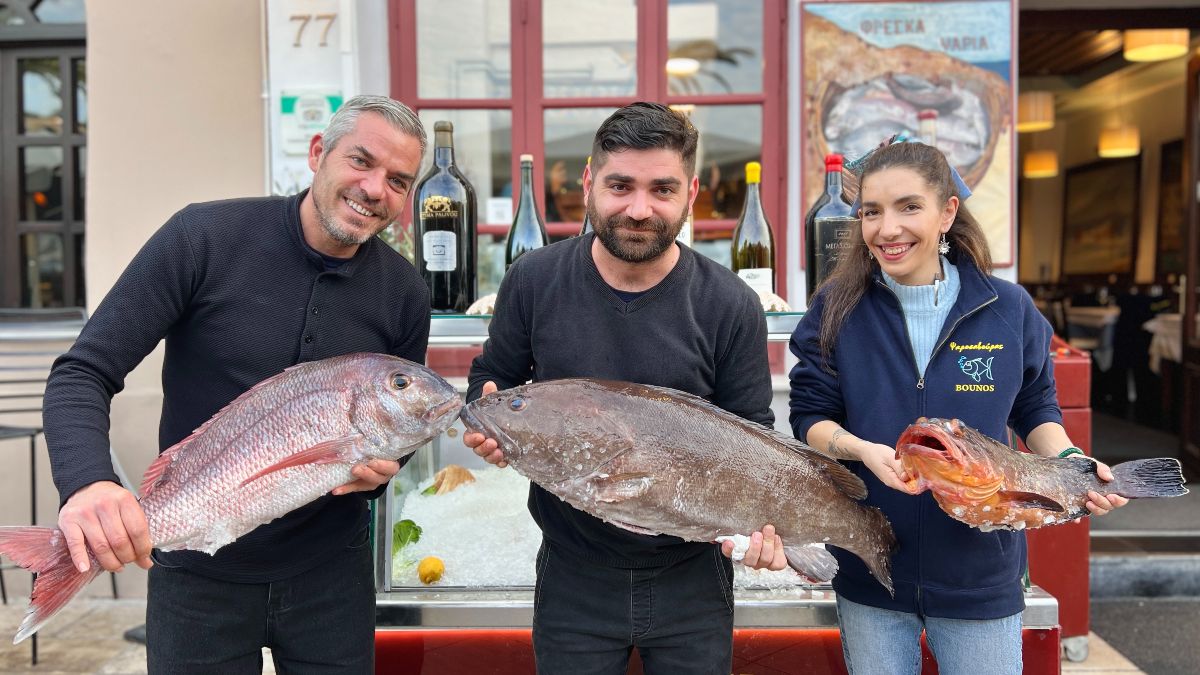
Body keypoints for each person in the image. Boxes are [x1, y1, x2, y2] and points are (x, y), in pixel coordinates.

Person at [42, 95, 431, 673]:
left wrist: (376, 477)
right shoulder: (203, 237)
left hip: (331, 580)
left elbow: (390, 441)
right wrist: (89, 483)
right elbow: (83, 371)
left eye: (398, 181)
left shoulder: (404, 292)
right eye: (361, 162)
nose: (375, 190)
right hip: (195, 577)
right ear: (318, 152)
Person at [464, 102, 784, 674]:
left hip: (694, 577)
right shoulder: (534, 280)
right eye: (620, 186)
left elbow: (753, 440)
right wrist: (486, 427)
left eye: (662, 189)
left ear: (691, 193)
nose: (639, 209)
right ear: (589, 183)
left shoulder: (730, 303)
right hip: (573, 573)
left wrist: (760, 529)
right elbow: (490, 383)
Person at [788, 138, 1127, 675]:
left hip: (981, 571)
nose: (887, 228)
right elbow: (809, 417)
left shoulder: (1006, 307)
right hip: (872, 564)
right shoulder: (835, 307)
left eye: (908, 207)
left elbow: (1036, 406)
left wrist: (1072, 466)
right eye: (871, 212)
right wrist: (862, 450)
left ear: (947, 212)